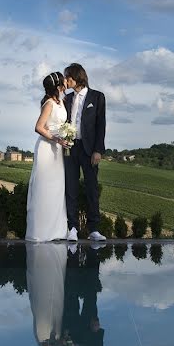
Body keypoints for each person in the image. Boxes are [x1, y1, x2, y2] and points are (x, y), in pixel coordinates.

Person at [63, 63, 107, 242]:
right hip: (70, 148)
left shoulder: (97, 97)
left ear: (77, 77)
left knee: (91, 189)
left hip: (89, 150)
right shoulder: (65, 99)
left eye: (68, 77)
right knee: (71, 188)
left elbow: (101, 125)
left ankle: (94, 229)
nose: (66, 80)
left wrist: (98, 150)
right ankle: (72, 228)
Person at [26, 72, 69, 242]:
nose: (66, 81)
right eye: (63, 79)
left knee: (57, 188)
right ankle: (42, 232)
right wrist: (56, 138)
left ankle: (56, 231)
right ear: (59, 85)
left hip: (57, 150)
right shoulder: (49, 103)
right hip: (47, 148)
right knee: (45, 188)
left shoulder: (61, 101)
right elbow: (38, 127)